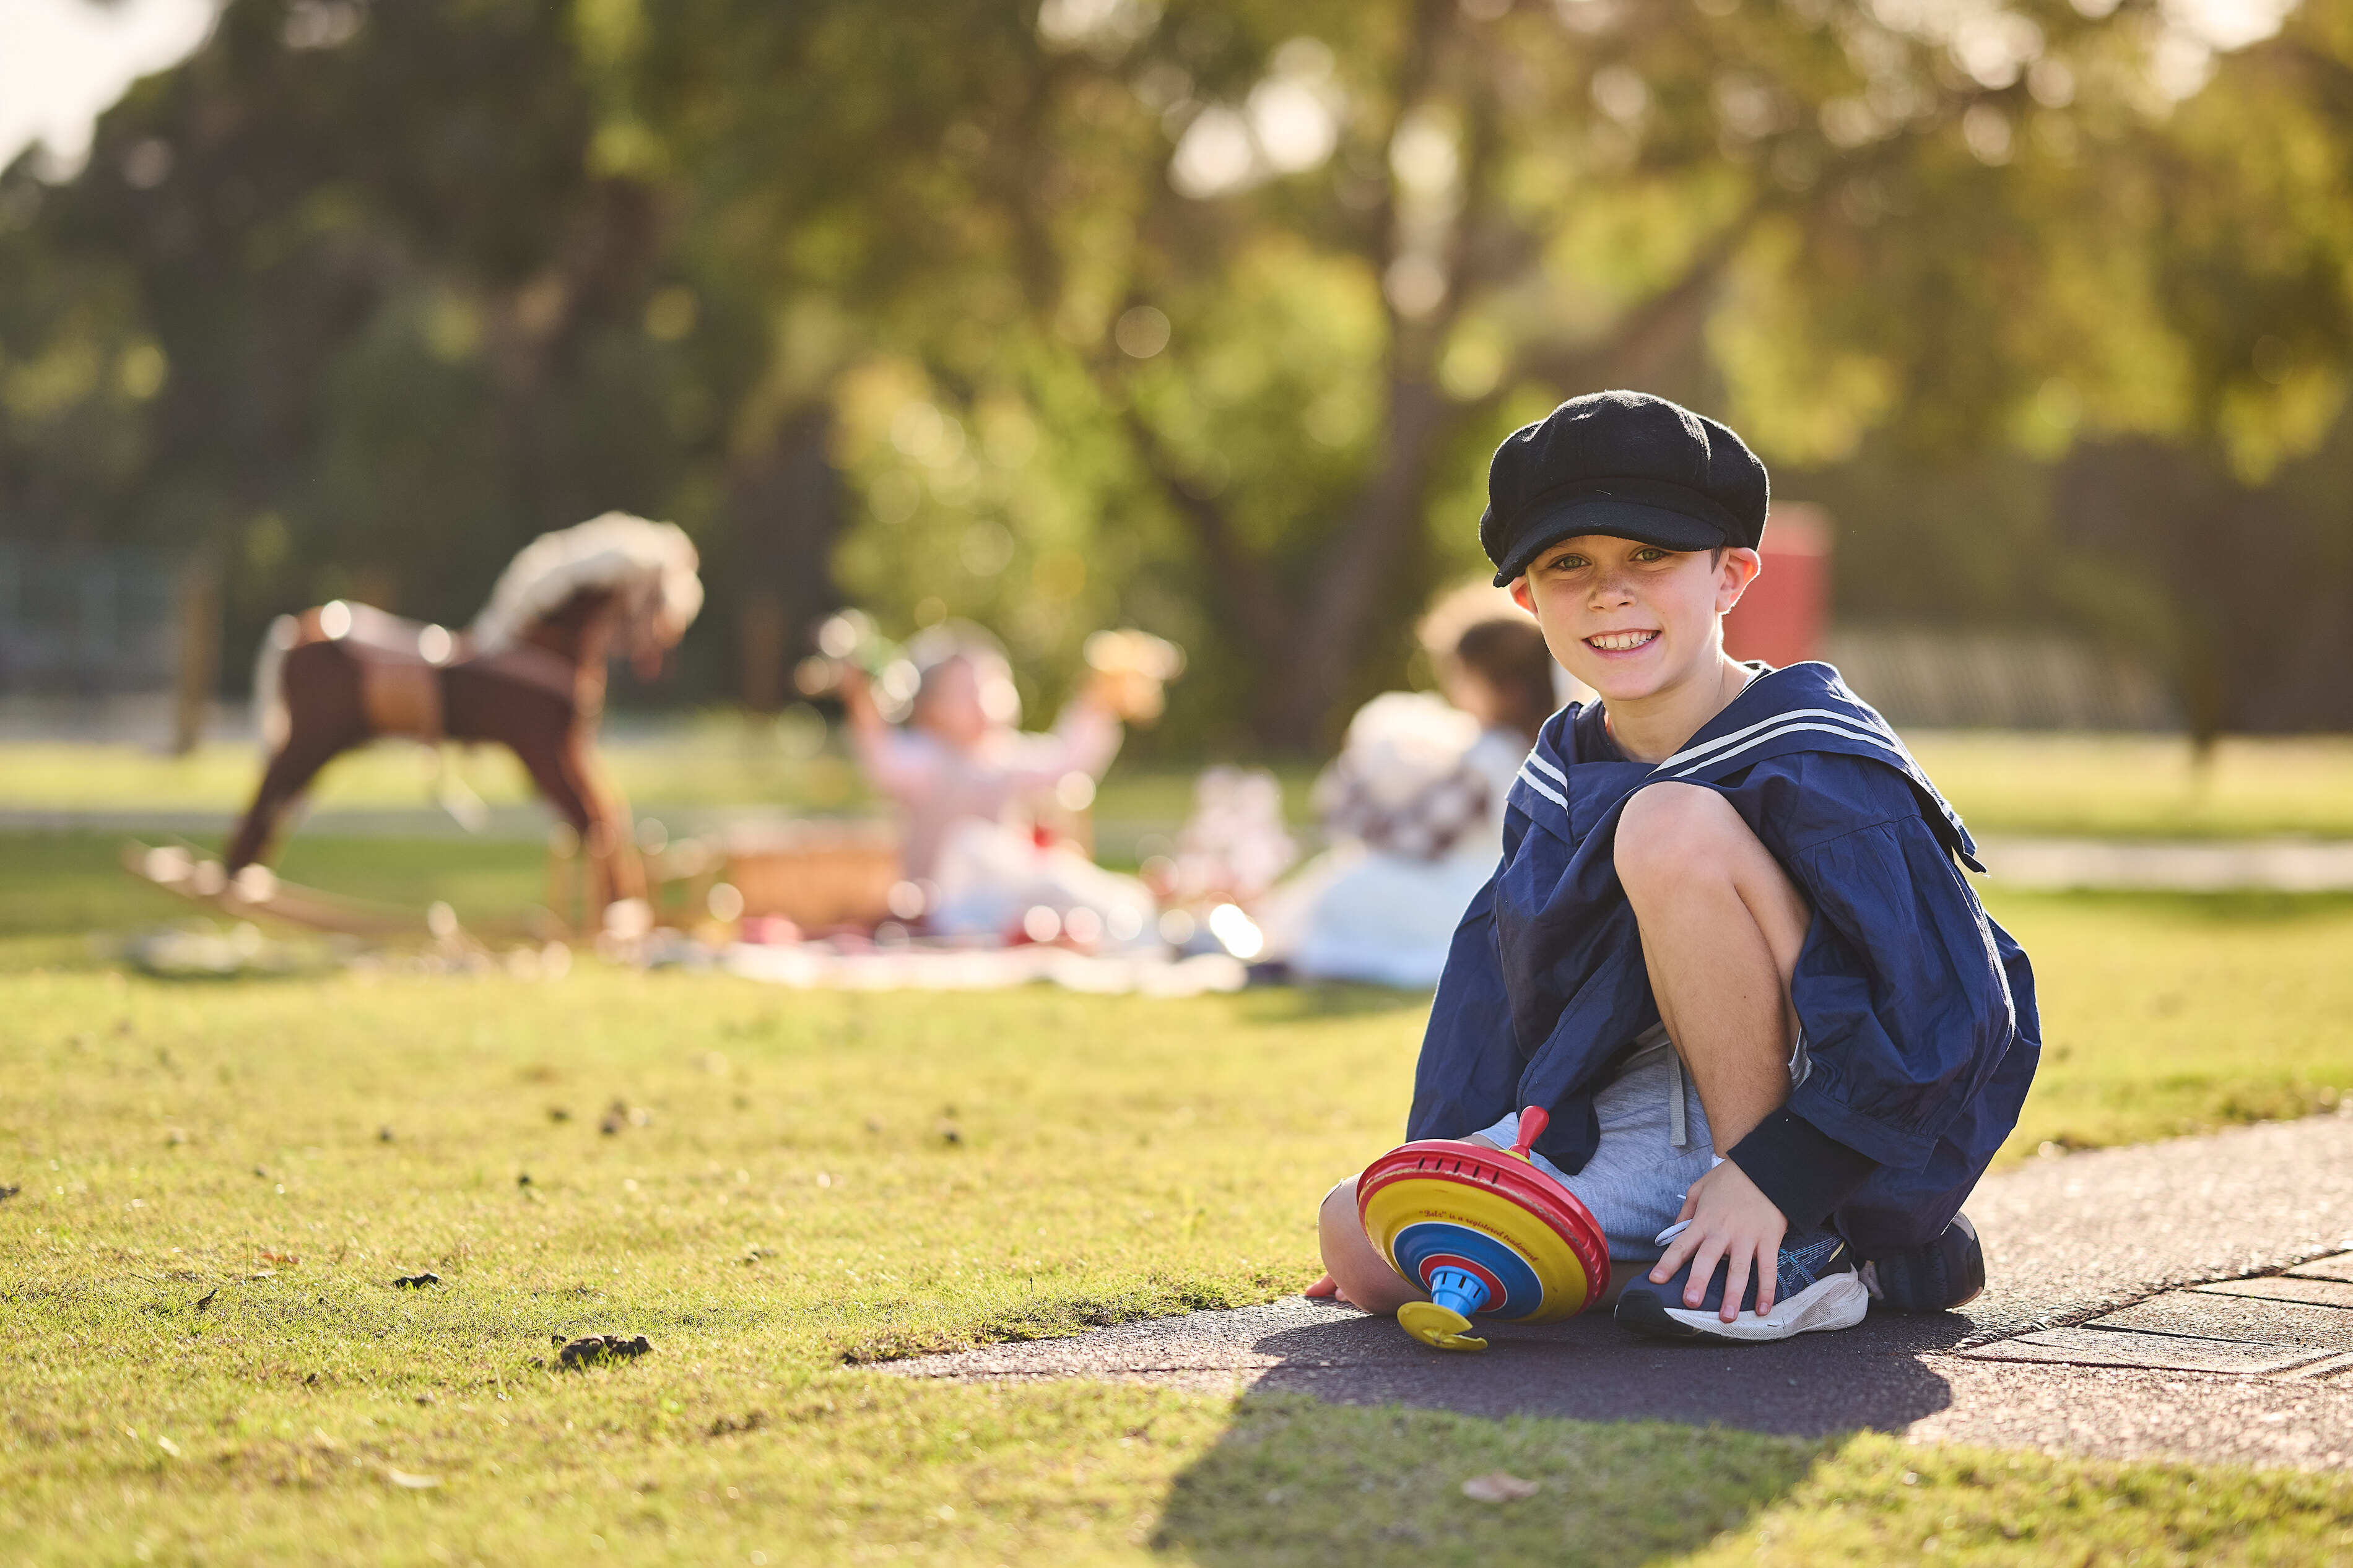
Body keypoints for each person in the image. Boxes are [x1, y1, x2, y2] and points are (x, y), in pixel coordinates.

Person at [1311, 389, 2039, 1343]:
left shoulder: (1814, 751)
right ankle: (1823, 1260)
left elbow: (1948, 1001)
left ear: (1730, 575)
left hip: (1825, 1121)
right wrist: (1441, 1173)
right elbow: (1496, 991)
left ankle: (1804, 1245)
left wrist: (1781, 1174)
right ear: (1527, 598)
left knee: (1666, 825)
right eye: (1569, 565)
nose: (1610, 593)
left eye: (1649, 555)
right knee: (1361, 1234)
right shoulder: (1559, 773)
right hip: (1642, 1118)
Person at [1252, 591, 1560, 987]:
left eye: (1462, 678)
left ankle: (1306, 955)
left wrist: (1357, 808)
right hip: (1507, 896)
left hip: (1470, 898)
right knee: (1347, 881)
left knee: (1351, 885)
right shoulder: (1541, 746)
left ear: (1503, 688)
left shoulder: (1491, 757)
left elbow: (1420, 840)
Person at [841, 624, 1156, 943]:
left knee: (1057, 875)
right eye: (965, 692)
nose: (982, 701)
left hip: (1006, 899)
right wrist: (861, 698)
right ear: (932, 708)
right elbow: (883, 761)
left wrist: (1097, 703)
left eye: (990, 688)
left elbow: (1066, 763)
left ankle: (1128, 914)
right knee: (973, 845)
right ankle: (1121, 918)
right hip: (946, 905)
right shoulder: (928, 759)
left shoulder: (1007, 758)